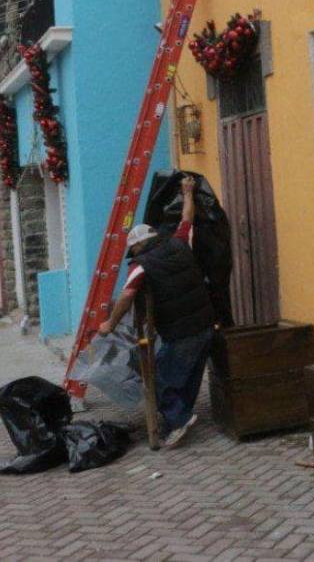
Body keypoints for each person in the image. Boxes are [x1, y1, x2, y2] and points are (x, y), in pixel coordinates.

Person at [98, 176, 211, 449]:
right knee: (188, 377)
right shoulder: (179, 242)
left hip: (181, 331)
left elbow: (127, 294)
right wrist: (188, 193)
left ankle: (178, 420)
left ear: (137, 246)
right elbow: (187, 218)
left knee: (155, 378)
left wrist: (109, 324)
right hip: (206, 324)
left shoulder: (141, 264)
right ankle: (178, 420)